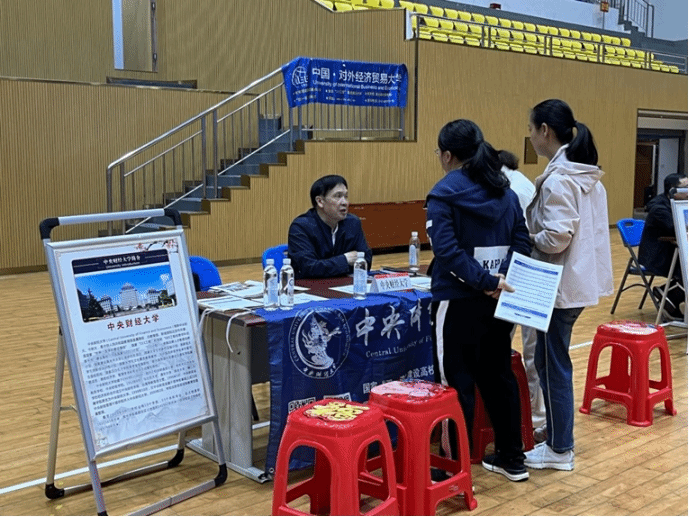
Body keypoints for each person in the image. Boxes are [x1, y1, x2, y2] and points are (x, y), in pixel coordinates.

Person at [426, 119, 532, 482]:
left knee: (455, 384)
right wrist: (500, 280)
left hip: (458, 300)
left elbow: (446, 252)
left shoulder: (443, 193)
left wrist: (485, 282)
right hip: (500, 299)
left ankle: (452, 469)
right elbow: (522, 241)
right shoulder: (506, 192)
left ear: (447, 155)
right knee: (498, 376)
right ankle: (512, 458)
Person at [524, 99, 613, 471]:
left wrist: (527, 236)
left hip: (558, 287)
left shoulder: (561, 178)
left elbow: (557, 237)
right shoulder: (584, 175)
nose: (530, 136)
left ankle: (560, 449)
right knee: (551, 364)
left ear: (545, 131)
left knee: (553, 367)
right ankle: (558, 437)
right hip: (576, 283)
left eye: (532, 129)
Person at [498, 150, 546, 440]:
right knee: (527, 347)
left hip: (526, 272)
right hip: (525, 269)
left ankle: (536, 417)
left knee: (531, 350)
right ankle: (531, 413)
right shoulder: (521, 181)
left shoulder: (512, 189)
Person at [288, 174, 372, 279]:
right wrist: (345, 260)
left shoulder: (353, 223)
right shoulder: (300, 227)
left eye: (346, 196)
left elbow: (365, 261)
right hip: (310, 287)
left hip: (344, 284)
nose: (345, 202)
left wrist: (326, 267)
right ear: (320, 201)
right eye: (338, 196)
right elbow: (308, 268)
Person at [638, 173, 687, 319]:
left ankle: (667, 293)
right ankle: (669, 295)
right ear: (673, 191)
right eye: (685, 188)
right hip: (657, 256)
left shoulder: (680, 203)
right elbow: (676, 229)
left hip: (672, 250)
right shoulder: (658, 208)